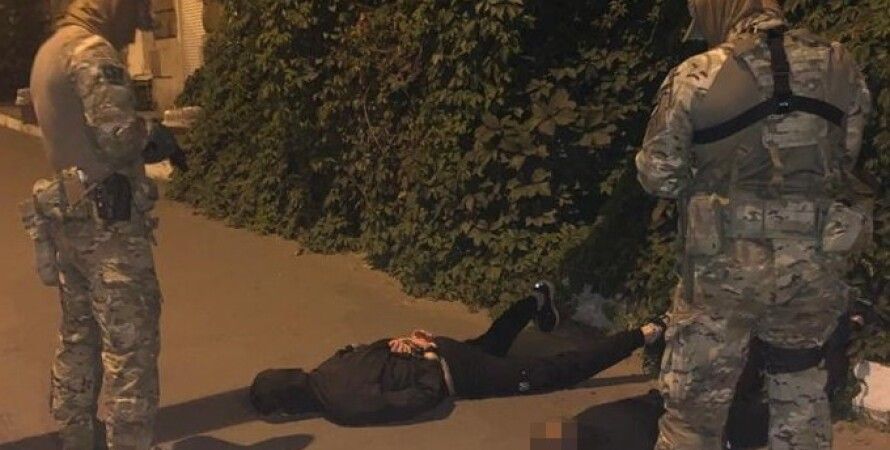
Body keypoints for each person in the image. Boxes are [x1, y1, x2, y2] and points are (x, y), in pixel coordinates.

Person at [635, 1, 873, 449]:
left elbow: (658, 175)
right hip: (810, 267)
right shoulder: (839, 66)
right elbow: (847, 155)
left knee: (694, 412)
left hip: (722, 272)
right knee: (800, 395)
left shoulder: (698, 74)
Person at [23, 1, 178, 448]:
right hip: (107, 228)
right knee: (130, 350)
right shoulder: (89, 51)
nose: (132, 34)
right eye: (133, 19)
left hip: (67, 219)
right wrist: (154, 136)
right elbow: (117, 135)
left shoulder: (49, 51)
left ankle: (75, 436)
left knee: (79, 337)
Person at [249, 281, 667, 426]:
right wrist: (411, 343)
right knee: (489, 345)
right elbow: (370, 348)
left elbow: (415, 400)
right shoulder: (326, 367)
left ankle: (648, 333)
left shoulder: (340, 407)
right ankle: (536, 303)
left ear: (289, 408)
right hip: (438, 348)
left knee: (553, 372)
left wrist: (430, 367)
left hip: (451, 372)